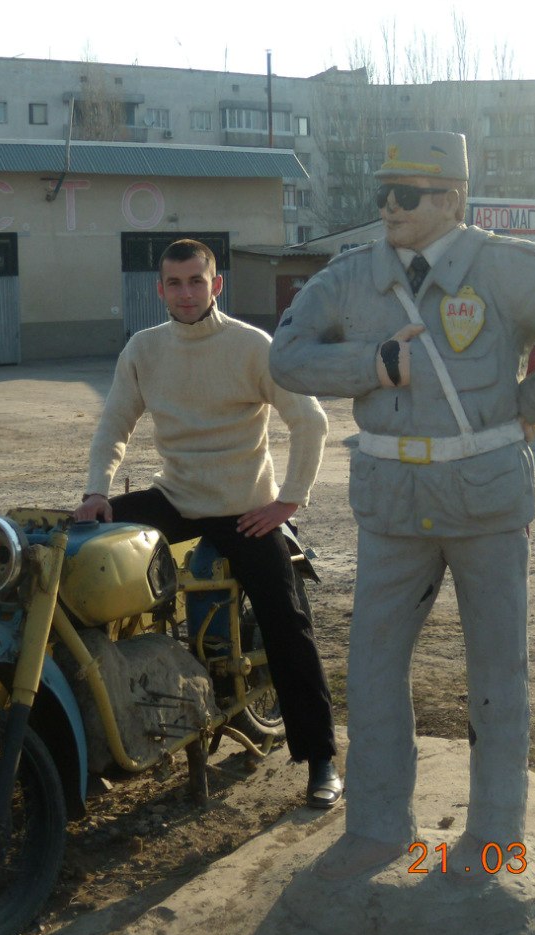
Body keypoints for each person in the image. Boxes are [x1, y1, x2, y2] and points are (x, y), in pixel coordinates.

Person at [269, 131, 535, 879]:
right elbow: (287, 356)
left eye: (406, 195)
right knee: (372, 666)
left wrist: (524, 406)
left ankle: (494, 832)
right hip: (392, 501)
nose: (388, 208)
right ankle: (376, 825)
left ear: (453, 200)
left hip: (484, 496)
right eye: (382, 194)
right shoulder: (352, 277)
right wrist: (373, 364)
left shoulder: (508, 267)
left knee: (497, 669)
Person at [74, 238, 342, 809]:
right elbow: (114, 425)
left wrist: (288, 502)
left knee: (286, 621)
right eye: (175, 283)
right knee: (78, 560)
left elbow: (311, 421)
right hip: (175, 499)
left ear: (216, 285)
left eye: (197, 280)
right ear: (160, 290)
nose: (186, 293)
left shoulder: (252, 346)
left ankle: (320, 758)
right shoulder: (144, 350)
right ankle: (93, 731)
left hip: (245, 511)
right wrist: (97, 492)